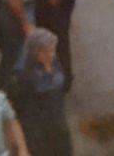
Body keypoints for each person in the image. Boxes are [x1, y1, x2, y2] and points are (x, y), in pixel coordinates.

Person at [9, 28, 72, 156]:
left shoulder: (55, 64)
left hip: (58, 125)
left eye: (52, 50)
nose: (50, 54)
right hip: (37, 131)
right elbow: (21, 107)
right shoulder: (22, 74)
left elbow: (61, 85)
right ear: (34, 51)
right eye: (44, 51)